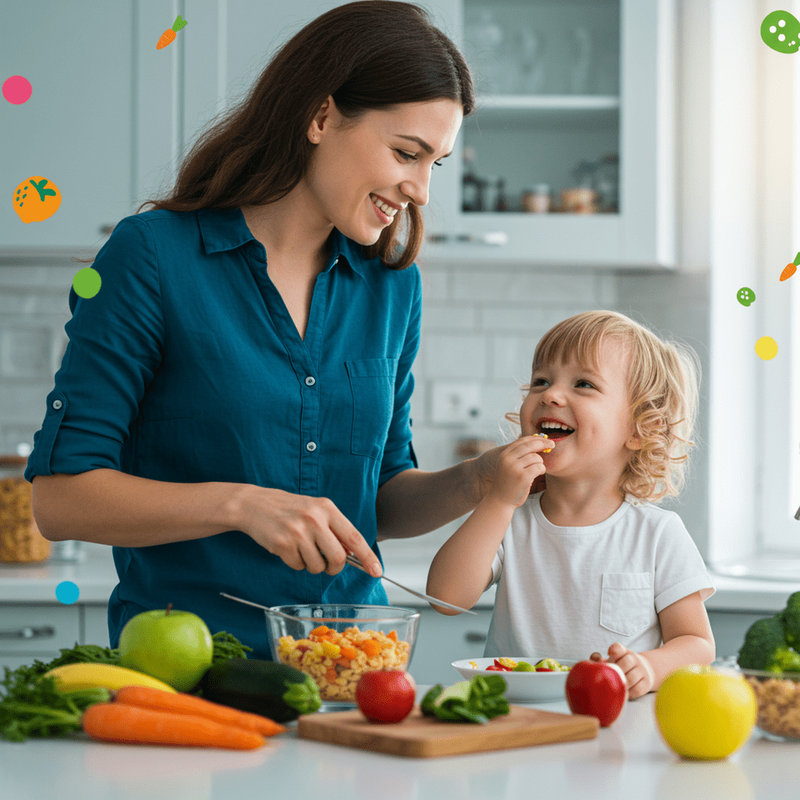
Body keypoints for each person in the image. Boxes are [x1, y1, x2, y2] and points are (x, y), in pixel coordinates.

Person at [25, 1, 497, 658]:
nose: (419, 189)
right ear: (322, 116)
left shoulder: (392, 285)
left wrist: (479, 480)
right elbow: (61, 499)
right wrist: (240, 505)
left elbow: (379, 497)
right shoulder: (152, 257)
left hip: (354, 671)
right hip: (190, 676)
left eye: (434, 164)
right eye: (406, 153)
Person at [426, 310, 715, 698]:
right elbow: (444, 598)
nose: (550, 394)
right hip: (516, 721)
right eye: (540, 381)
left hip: (615, 726)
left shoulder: (657, 534)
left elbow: (697, 643)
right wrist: (497, 499)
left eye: (583, 384)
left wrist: (650, 666)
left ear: (639, 428)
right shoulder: (511, 519)